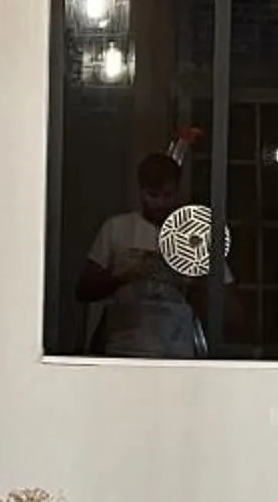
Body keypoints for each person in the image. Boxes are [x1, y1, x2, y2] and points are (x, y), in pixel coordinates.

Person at [77, 152, 206, 357]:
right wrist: (124, 275)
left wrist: (191, 280)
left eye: (168, 195)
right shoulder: (116, 228)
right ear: (141, 190)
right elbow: (84, 290)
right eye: (153, 195)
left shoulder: (197, 235)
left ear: (177, 192)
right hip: (123, 349)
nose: (161, 203)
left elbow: (227, 307)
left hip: (177, 352)